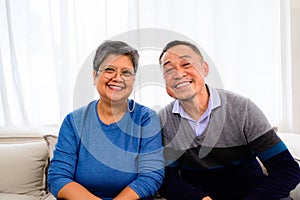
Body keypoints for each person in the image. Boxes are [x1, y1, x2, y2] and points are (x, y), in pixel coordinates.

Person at [157, 40, 300, 200]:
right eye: (169, 69)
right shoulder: (163, 120)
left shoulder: (242, 109)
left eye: (186, 64)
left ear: (205, 69)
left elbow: (286, 168)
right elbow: (167, 179)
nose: (178, 73)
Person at [48, 40, 164, 200]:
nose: (118, 78)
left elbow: (151, 177)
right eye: (109, 70)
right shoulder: (73, 121)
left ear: (133, 80)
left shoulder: (147, 119)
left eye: (126, 72)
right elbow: (58, 177)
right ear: (94, 76)